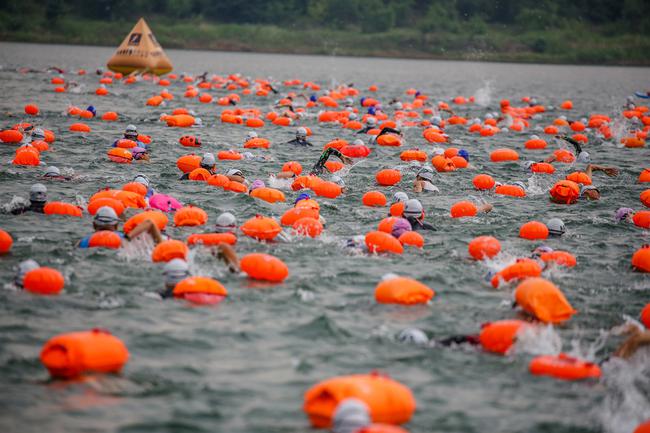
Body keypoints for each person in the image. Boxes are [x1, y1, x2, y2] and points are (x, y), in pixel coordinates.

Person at [78, 206, 163, 248]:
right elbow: (150, 222)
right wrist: (128, 237)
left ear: (94, 225)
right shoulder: (123, 239)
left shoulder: (84, 242)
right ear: (116, 225)